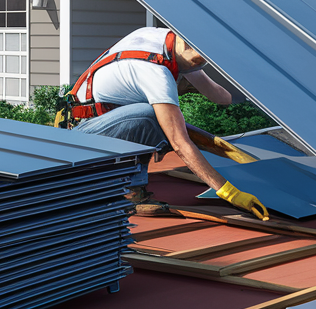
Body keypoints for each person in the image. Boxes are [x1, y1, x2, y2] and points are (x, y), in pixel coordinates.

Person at [69, 26, 269, 220]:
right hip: (84, 139)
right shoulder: (155, 71)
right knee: (150, 115)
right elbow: (180, 142)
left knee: (162, 118)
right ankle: (130, 191)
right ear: (187, 47)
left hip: (99, 121)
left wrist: (246, 98)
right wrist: (230, 193)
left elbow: (221, 97)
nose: (196, 69)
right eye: (196, 63)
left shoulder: (162, 40)